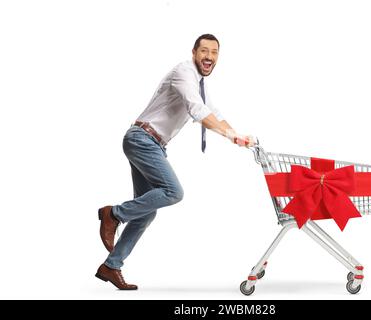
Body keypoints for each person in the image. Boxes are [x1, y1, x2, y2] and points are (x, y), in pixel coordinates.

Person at [95, 34, 254, 290]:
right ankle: (113, 213)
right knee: (173, 192)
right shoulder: (184, 73)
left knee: (146, 214)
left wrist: (238, 137)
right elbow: (197, 110)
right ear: (194, 52)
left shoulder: (200, 83)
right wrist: (229, 135)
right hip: (142, 139)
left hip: (153, 144)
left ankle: (111, 266)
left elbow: (213, 112)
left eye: (214, 53)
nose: (209, 57)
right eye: (204, 51)